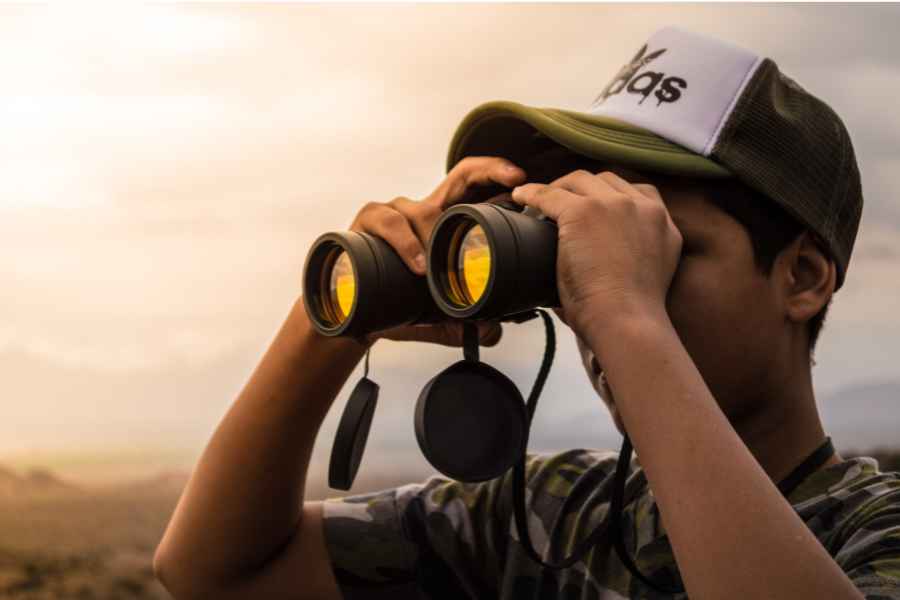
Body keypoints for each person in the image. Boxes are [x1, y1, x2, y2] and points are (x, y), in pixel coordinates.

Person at [153, 26, 900, 599]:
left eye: (657, 243)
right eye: (578, 243)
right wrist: (344, 309)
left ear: (801, 276)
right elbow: (215, 571)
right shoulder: (550, 517)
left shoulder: (873, 533)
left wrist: (625, 315)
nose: (593, 286)